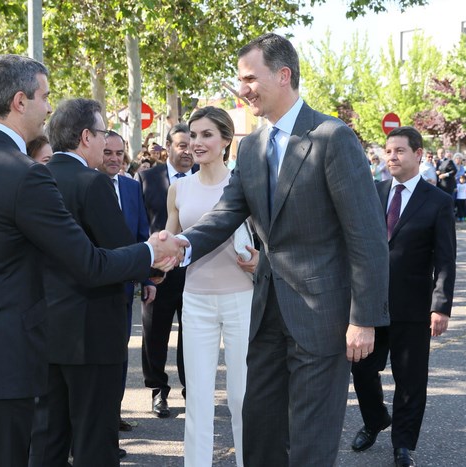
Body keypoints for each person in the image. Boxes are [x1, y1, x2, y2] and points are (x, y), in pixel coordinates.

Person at [0, 54, 184, 467]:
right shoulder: (25, 173)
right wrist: (150, 252)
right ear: (20, 101)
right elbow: (87, 263)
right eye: (44, 96)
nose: (48, 108)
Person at [177, 33, 389, 466]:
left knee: (311, 437)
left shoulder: (332, 137)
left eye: (250, 78)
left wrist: (364, 319)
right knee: (261, 429)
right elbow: (225, 214)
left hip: (322, 316)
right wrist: (180, 245)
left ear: (284, 75)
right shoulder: (252, 146)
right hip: (267, 312)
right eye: (240, 80)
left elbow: (366, 235)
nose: (243, 89)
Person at [28, 98, 142, 466]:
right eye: (102, 131)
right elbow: (122, 250)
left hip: (41, 329)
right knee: (95, 437)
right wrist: (154, 257)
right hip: (91, 334)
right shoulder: (93, 184)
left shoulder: (34, 178)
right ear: (86, 137)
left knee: (48, 437)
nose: (105, 140)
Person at [350, 126, 456, 467]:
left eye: (399, 151)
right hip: (370, 304)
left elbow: (445, 258)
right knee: (363, 370)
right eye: (388, 150)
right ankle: (375, 419)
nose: (391, 157)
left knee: (410, 380)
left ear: (418, 154)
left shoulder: (438, 201)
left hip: (413, 307)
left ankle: (403, 445)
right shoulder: (372, 191)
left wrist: (440, 306)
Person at [166, 106, 257, 467]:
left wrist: (260, 260)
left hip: (241, 299)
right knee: (198, 398)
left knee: (241, 396)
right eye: (193, 135)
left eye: (206, 135)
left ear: (225, 140)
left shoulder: (243, 185)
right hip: (196, 302)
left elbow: (266, 240)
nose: (196, 143)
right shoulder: (178, 188)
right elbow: (170, 243)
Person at [136, 122, 197, 418]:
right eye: (182, 144)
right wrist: (143, 271)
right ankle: (158, 390)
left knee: (194, 335)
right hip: (158, 274)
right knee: (154, 333)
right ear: (169, 147)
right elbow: (137, 226)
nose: (188, 150)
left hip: (198, 271)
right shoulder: (146, 179)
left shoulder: (204, 178)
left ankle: (192, 390)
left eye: (192, 144)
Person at [98, 130, 157, 434]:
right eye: (107, 152)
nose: (114, 159)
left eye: (119, 153)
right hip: (92, 286)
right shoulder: (88, 185)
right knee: (98, 357)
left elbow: (141, 235)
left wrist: (147, 278)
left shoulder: (132, 188)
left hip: (124, 287)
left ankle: (112, 413)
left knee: (120, 353)